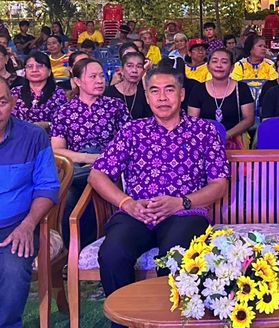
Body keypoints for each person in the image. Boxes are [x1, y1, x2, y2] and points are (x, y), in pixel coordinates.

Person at [89, 65, 229, 325]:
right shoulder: (133, 130)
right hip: (136, 213)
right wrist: (126, 203)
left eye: (169, 90)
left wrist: (181, 203)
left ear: (182, 94)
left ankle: (170, 322)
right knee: (112, 254)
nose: (162, 98)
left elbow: (220, 184)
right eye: (155, 91)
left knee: (173, 256)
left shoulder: (204, 131)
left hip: (185, 214)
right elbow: (97, 175)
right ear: (147, 96)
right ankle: (125, 322)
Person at [0, 78, 60, 328]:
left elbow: (48, 187)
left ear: (13, 103)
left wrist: (27, 225)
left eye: (1, 102)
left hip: (18, 225)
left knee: (13, 269)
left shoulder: (33, 137)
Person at [51, 58, 129, 247]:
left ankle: (94, 246)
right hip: (78, 166)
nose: (100, 81)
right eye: (93, 76)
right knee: (70, 195)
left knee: (91, 186)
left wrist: (104, 159)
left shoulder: (115, 106)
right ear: (77, 81)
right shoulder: (64, 112)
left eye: (102, 76)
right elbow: (57, 151)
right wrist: (89, 158)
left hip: (109, 166)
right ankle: (73, 251)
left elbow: (129, 141)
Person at [188, 48, 255, 148]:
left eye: (224, 62)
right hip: (205, 138)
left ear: (232, 67)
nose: (219, 65)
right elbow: (193, 121)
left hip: (235, 137)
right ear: (208, 66)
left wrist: (226, 135)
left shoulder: (242, 88)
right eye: (214, 61)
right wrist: (210, 137)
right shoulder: (198, 89)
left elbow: (249, 119)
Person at [11, 52, 67, 130]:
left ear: (49, 71)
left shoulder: (59, 94)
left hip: (49, 136)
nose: (34, 70)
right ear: (25, 71)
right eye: (30, 66)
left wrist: (48, 124)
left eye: (40, 66)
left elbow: (64, 122)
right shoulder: (15, 92)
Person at [104, 51, 152, 119]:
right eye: (130, 66)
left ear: (143, 71)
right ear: (121, 70)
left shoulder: (145, 94)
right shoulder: (107, 93)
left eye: (139, 66)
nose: (134, 70)